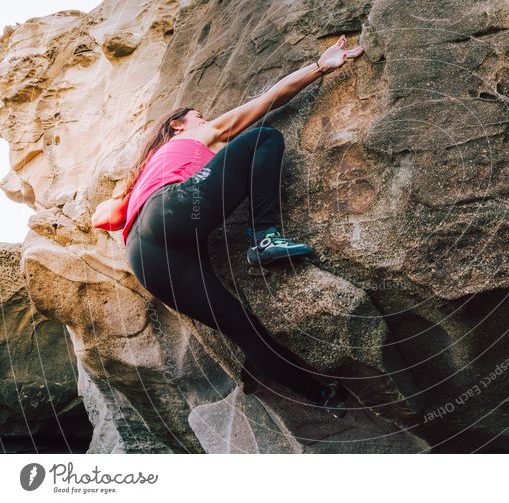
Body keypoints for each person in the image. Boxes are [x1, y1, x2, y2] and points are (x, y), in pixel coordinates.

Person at [91, 34, 364, 418]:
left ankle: (321, 395)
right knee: (263, 137)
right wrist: (320, 66)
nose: (206, 122)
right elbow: (266, 102)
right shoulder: (193, 138)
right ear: (177, 125)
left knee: (240, 327)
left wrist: (129, 191)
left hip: (145, 258)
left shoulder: (140, 174)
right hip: (171, 211)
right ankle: (265, 237)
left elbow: (103, 218)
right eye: (199, 116)